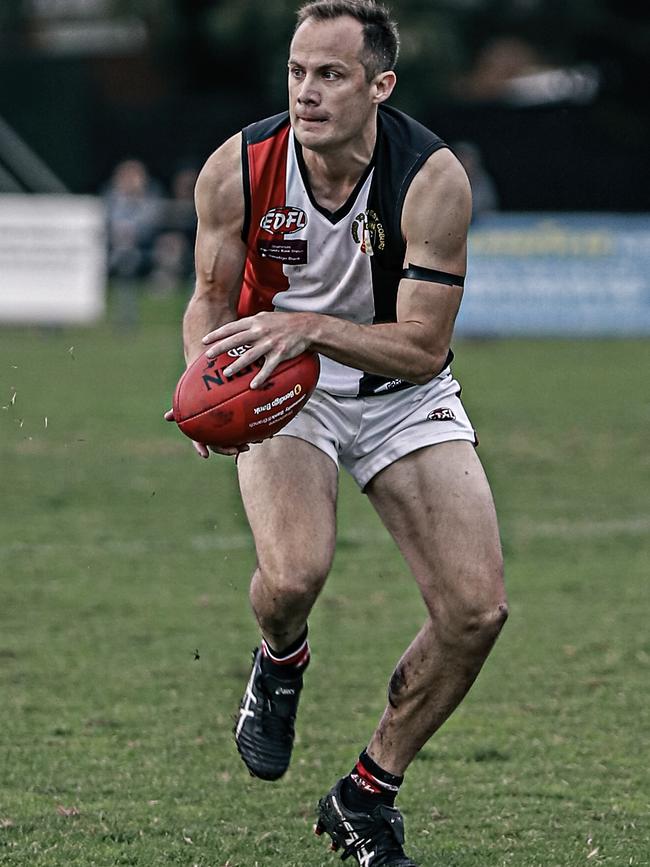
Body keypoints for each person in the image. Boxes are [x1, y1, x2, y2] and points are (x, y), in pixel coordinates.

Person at [168, 2, 508, 863]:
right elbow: (210, 296)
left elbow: (425, 347)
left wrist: (310, 325)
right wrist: (204, 381)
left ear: (379, 85)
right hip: (285, 390)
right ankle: (280, 662)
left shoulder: (431, 178)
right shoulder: (239, 167)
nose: (306, 93)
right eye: (296, 71)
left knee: (475, 610)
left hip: (398, 387)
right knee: (292, 576)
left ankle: (367, 792)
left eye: (331, 75)